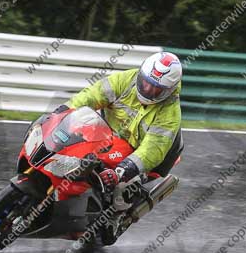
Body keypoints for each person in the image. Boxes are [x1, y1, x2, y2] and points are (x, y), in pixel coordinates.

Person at [55, 51, 184, 203]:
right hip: (107, 136)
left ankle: (106, 216)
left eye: (155, 89)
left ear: (168, 91)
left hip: (138, 152)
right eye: (145, 82)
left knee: (120, 187)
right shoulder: (125, 80)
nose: (147, 89)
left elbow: (153, 148)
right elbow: (91, 96)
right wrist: (64, 111)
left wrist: (123, 170)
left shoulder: (170, 113)